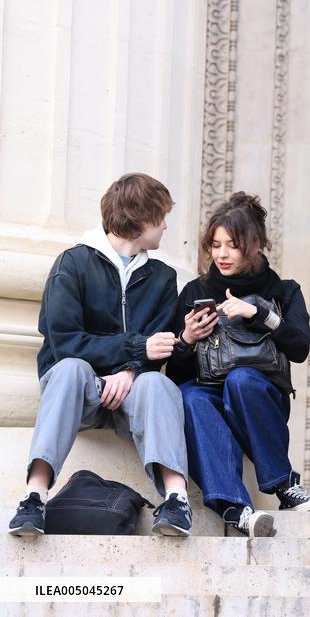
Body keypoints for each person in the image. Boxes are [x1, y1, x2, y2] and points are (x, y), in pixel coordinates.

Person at [8, 173, 192, 537]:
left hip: (131, 397)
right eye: (161, 217)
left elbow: (157, 349)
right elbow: (65, 342)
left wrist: (131, 371)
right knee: (70, 368)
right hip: (82, 392)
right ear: (140, 220)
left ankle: (176, 501)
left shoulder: (162, 277)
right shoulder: (72, 264)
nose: (167, 225)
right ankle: (34, 497)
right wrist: (134, 350)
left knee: (156, 382)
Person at [167, 192, 310, 538]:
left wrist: (259, 315)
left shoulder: (283, 291)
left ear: (253, 245)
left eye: (232, 245)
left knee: (241, 379)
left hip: (259, 396)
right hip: (207, 392)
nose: (222, 254)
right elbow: (178, 373)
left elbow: (299, 348)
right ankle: (235, 509)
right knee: (190, 397)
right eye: (215, 245)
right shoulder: (195, 291)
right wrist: (187, 339)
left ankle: (285, 486)